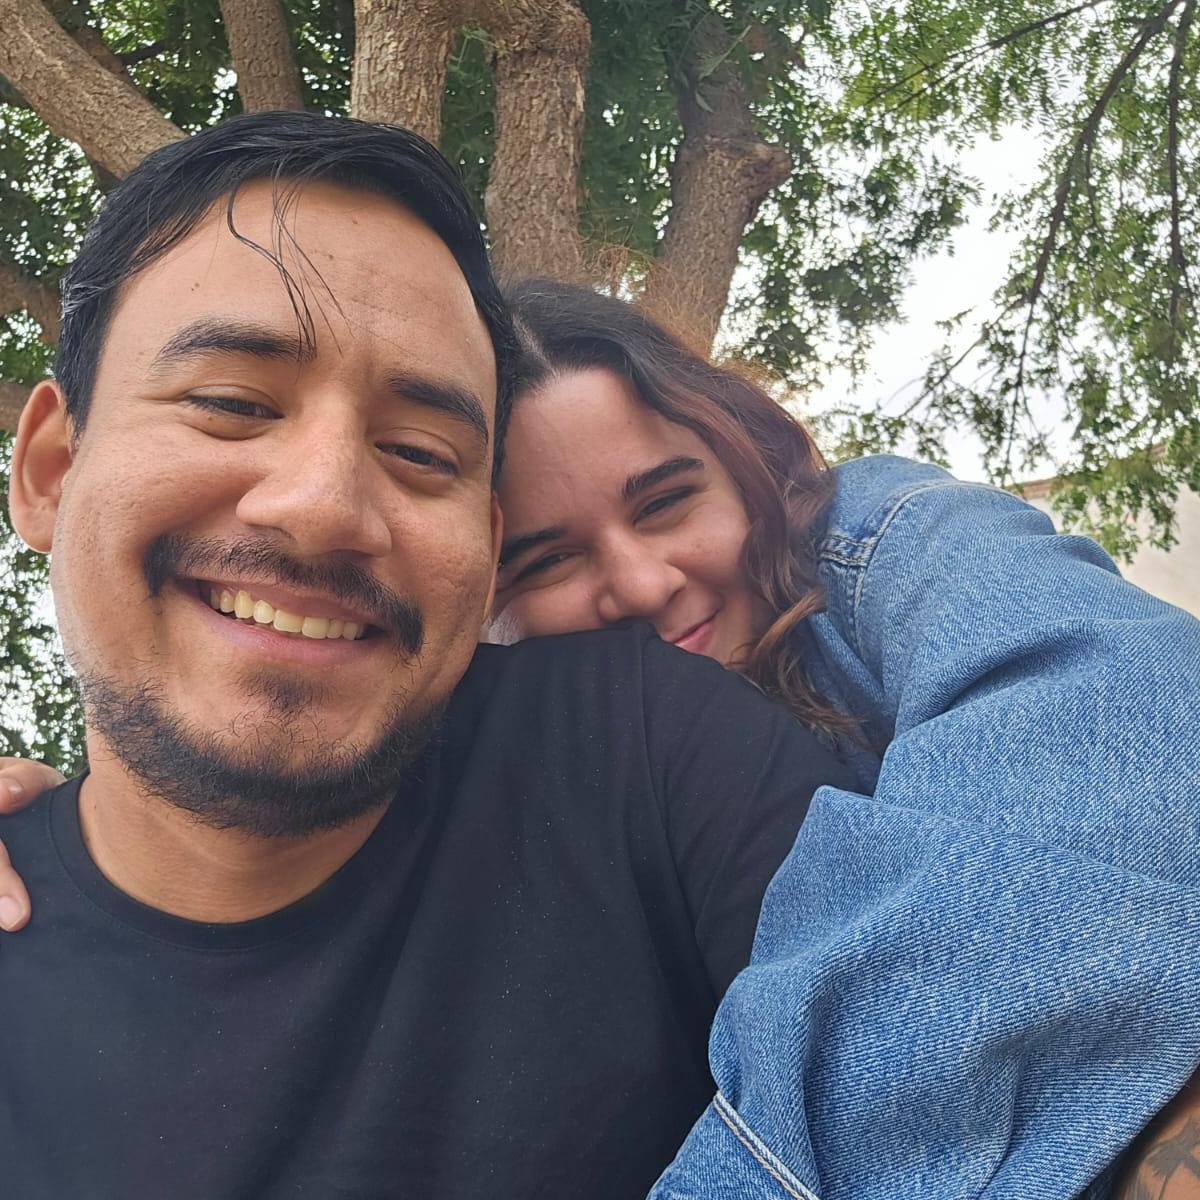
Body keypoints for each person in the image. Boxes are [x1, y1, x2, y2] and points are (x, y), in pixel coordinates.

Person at [3, 151, 1200, 1198]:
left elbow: (1110, 727)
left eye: (667, 500)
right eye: (548, 558)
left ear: (755, 462)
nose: (634, 584)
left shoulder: (871, 545)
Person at [0, 111, 853, 1199]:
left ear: (486, 551)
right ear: (51, 471)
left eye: (419, 452)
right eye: (230, 403)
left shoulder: (638, 747)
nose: (324, 506)